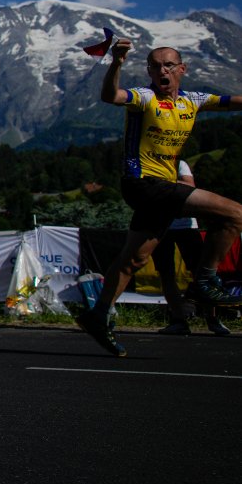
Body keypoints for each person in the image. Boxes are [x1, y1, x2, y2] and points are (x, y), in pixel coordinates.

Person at [76, 40, 242, 356]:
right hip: (143, 184)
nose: (162, 71)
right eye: (155, 66)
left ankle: (98, 315)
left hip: (161, 191)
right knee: (235, 213)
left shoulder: (194, 100)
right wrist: (116, 63)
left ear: (182, 69)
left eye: (168, 65)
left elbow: (233, 101)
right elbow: (111, 96)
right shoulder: (145, 97)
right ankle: (204, 281)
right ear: (149, 71)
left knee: (134, 259)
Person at [151, 161, 229, 337]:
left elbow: (190, 185)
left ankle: (212, 319)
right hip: (159, 226)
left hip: (185, 225)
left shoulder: (179, 163)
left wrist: (162, 183)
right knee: (166, 274)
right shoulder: (150, 163)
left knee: (202, 273)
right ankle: (179, 320)